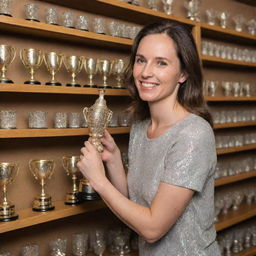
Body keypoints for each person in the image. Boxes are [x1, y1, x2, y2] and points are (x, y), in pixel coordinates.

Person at [77, 19, 221, 256]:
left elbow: (153, 227)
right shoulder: (141, 128)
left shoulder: (193, 133)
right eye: (141, 60)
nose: (145, 72)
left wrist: (98, 181)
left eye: (161, 63)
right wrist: (113, 161)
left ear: (183, 73)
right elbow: (134, 205)